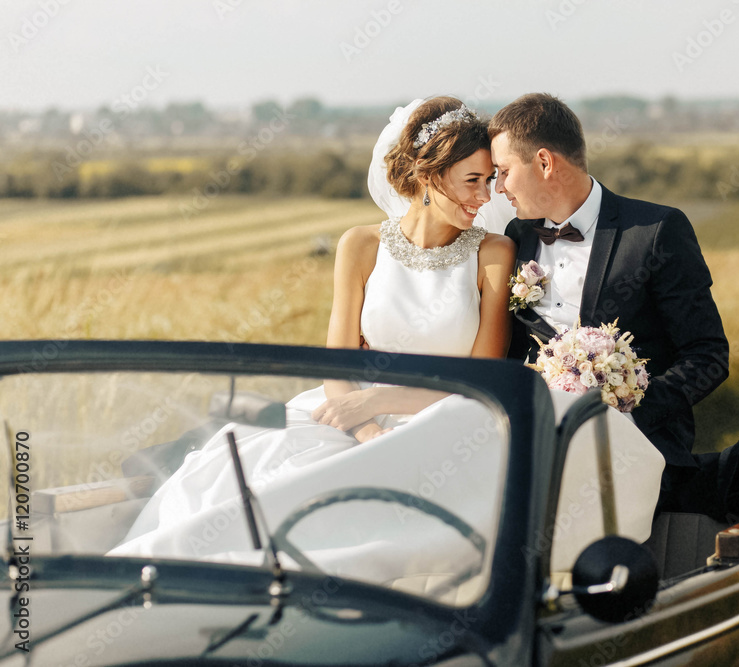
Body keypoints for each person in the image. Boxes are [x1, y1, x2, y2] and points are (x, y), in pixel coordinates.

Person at [108, 97, 666, 579]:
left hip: (452, 417)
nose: (484, 198)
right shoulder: (359, 246)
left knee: (357, 500)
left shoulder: (493, 255)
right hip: (347, 413)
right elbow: (337, 360)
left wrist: (380, 402)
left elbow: (482, 374)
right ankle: (169, 579)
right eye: (472, 181)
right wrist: (365, 422)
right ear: (428, 177)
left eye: (490, 181)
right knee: (244, 483)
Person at [489, 93, 730, 513]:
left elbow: (708, 355)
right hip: (533, 441)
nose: (499, 187)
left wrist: (626, 409)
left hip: (635, 448)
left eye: (504, 171)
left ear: (545, 163)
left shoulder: (656, 230)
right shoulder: (517, 235)